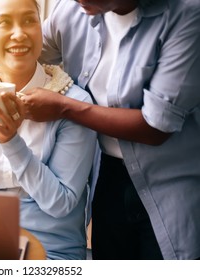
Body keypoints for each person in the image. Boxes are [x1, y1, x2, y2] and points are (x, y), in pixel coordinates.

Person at [17, 0, 200, 260]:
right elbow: (23, 51)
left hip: (172, 183)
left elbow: (157, 127)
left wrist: (65, 108)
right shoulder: (70, 10)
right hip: (107, 178)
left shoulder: (187, 14)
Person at [0, 0, 97, 260]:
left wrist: (10, 140)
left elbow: (61, 203)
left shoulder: (73, 103)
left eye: (29, 20)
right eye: (4, 22)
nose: (19, 33)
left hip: (53, 254)